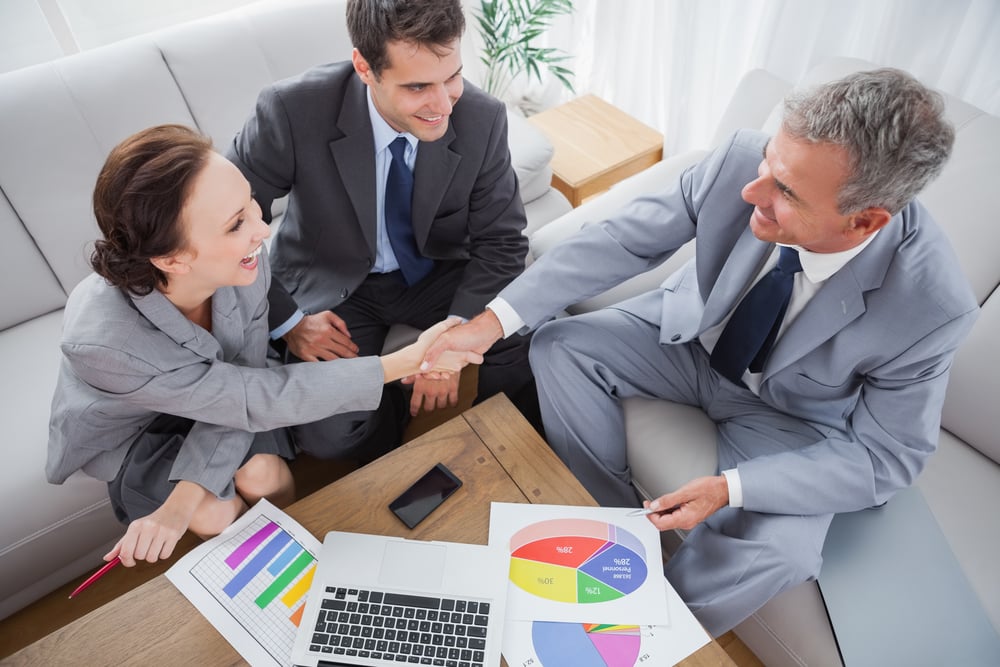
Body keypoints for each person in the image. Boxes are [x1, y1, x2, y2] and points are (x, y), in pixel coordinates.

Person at [421, 68, 979, 635]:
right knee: (560, 344)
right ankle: (617, 539)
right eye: (770, 163)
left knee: (782, 553)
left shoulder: (931, 305)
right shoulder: (741, 160)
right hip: (688, 342)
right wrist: (492, 322)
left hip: (789, 418)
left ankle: (640, 634)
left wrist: (729, 490)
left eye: (785, 192)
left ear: (865, 221)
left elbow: (889, 457)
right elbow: (622, 238)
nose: (752, 191)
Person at [46, 124, 477, 568]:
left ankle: (303, 568)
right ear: (172, 259)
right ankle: (267, 591)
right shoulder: (104, 344)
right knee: (213, 510)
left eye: (250, 204)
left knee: (265, 474)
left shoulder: (243, 265)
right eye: (236, 224)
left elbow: (244, 389)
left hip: (229, 395)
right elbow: (252, 396)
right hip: (140, 428)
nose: (263, 230)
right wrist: (404, 361)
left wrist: (181, 504)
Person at [224, 0, 539, 462]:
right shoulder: (291, 110)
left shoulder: (481, 116)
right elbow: (224, 226)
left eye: (451, 76)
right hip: (336, 283)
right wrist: (289, 321)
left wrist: (456, 337)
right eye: (417, 86)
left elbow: (504, 241)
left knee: (526, 329)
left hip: (438, 272)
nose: (443, 104)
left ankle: (508, 450)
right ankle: (389, 433)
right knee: (325, 435)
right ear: (364, 68)